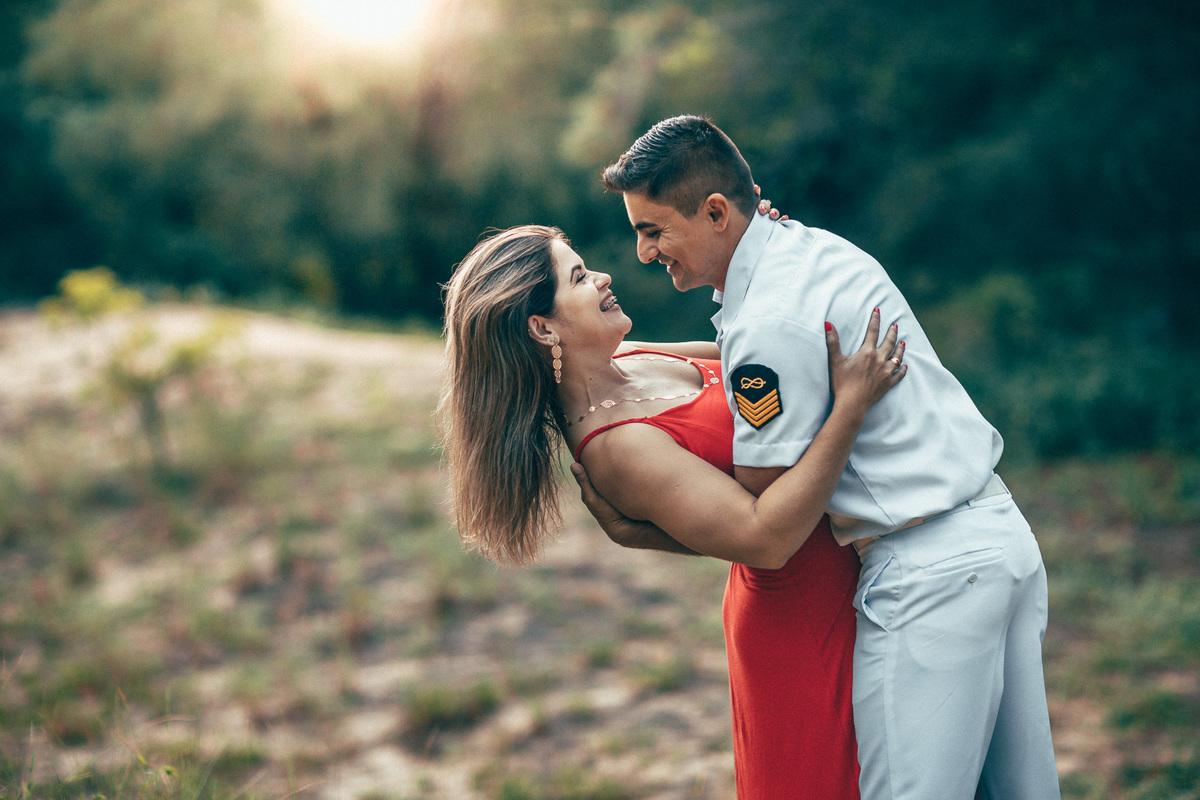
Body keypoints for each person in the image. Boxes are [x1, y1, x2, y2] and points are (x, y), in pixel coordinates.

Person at [575, 115, 1061, 799]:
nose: (645, 253)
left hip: (930, 575)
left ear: (716, 211)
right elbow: (726, 350)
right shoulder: (809, 250)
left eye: (652, 230)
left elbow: (766, 509)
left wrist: (649, 530)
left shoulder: (766, 322)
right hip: (999, 536)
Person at [438, 224, 908, 799]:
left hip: (846, 571)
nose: (604, 277)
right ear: (542, 327)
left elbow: (760, 355)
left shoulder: (632, 356)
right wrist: (851, 407)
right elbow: (764, 539)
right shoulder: (614, 446)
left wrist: (745, 235)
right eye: (580, 277)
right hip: (802, 622)